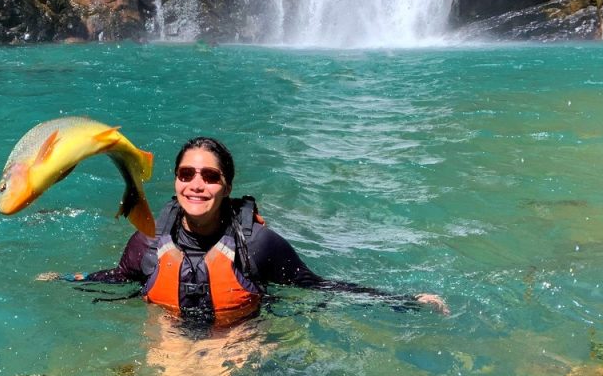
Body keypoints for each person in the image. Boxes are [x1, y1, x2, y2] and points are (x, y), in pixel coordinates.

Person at [41, 136, 448, 324]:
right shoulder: (148, 238)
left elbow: (315, 286)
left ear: (227, 187)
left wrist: (403, 300)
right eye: (186, 174)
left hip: (236, 335)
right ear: (175, 181)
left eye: (210, 177)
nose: (196, 185)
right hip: (167, 334)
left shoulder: (257, 244)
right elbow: (121, 277)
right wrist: (65, 279)